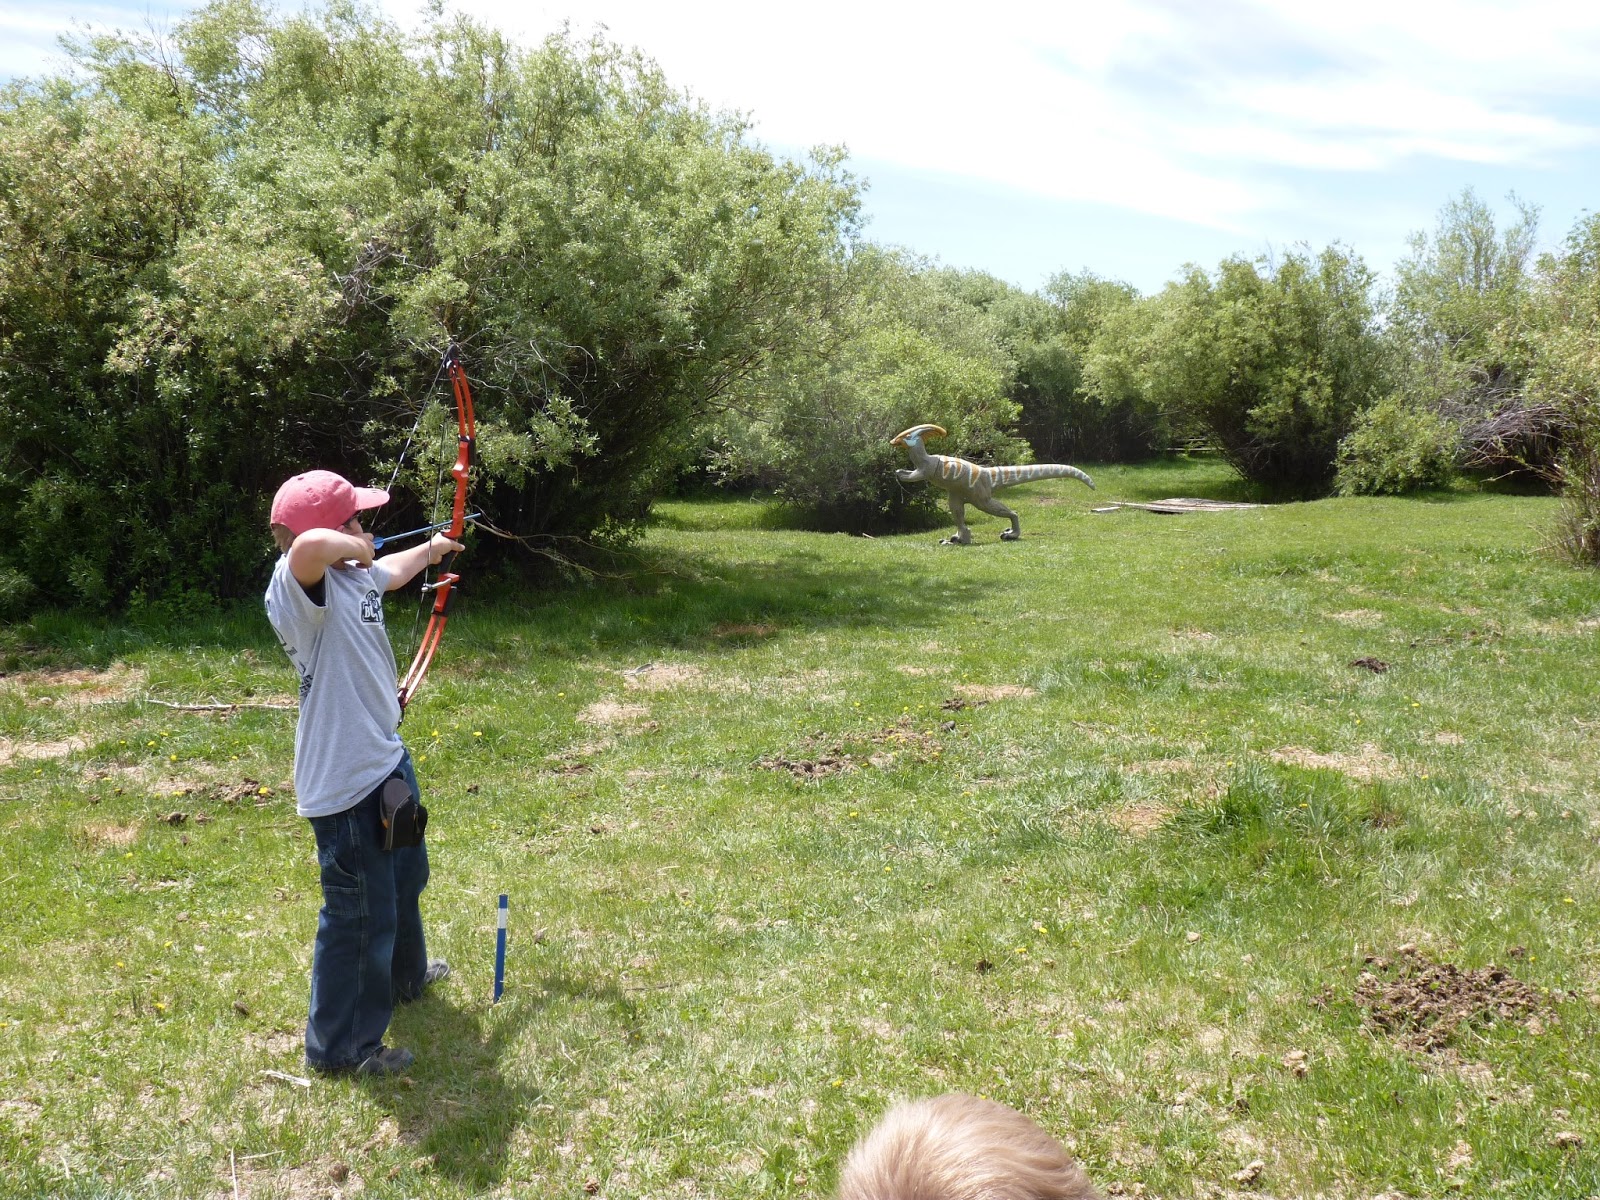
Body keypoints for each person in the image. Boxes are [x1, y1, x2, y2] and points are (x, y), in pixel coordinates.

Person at [264, 469, 463, 1077]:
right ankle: (339, 1049)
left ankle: (405, 977)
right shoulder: (299, 593)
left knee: (404, 877)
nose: (365, 529)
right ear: (332, 530)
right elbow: (304, 548)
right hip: (346, 784)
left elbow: (392, 570)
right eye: (355, 520)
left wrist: (437, 547)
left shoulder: (355, 578)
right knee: (358, 912)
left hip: (385, 760)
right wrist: (350, 545)